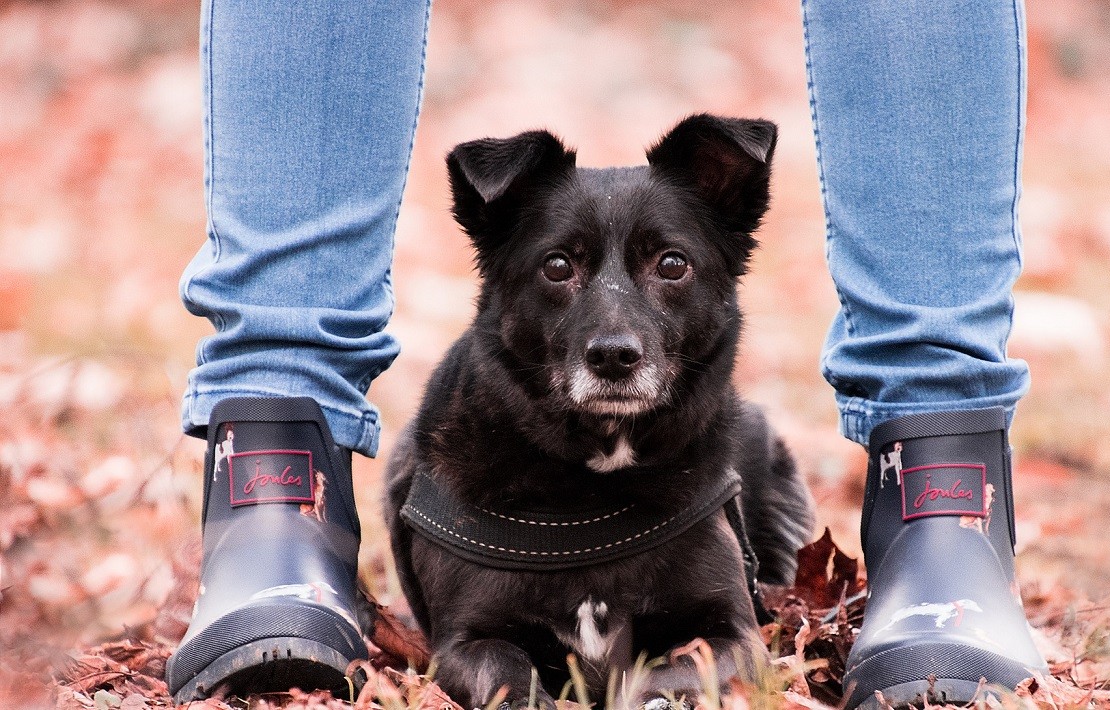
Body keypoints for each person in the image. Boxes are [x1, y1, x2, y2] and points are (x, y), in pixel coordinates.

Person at [166, 1, 1046, 708]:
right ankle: (274, 473)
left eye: (670, 267)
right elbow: (467, 645)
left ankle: (944, 492)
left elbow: (729, 642)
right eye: (560, 268)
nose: (615, 334)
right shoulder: (456, 459)